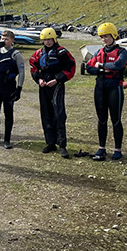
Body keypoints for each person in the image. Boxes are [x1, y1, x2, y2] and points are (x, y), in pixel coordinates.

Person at [28, 27, 76, 158]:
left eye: (49, 40)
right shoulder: (38, 54)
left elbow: (70, 68)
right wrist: (39, 79)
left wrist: (57, 79)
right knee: (46, 114)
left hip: (57, 85)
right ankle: (50, 143)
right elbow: (33, 68)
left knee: (59, 114)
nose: (48, 42)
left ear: (54, 39)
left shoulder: (62, 52)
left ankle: (62, 145)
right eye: (45, 40)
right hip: (44, 86)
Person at [85, 22, 127, 161]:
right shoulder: (99, 52)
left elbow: (118, 65)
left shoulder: (122, 52)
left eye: (107, 36)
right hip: (100, 87)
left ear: (113, 36)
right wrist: (102, 69)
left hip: (114, 87)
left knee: (116, 119)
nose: (104, 39)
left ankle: (117, 149)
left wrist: (102, 65)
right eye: (102, 37)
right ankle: (101, 148)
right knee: (101, 119)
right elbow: (89, 67)